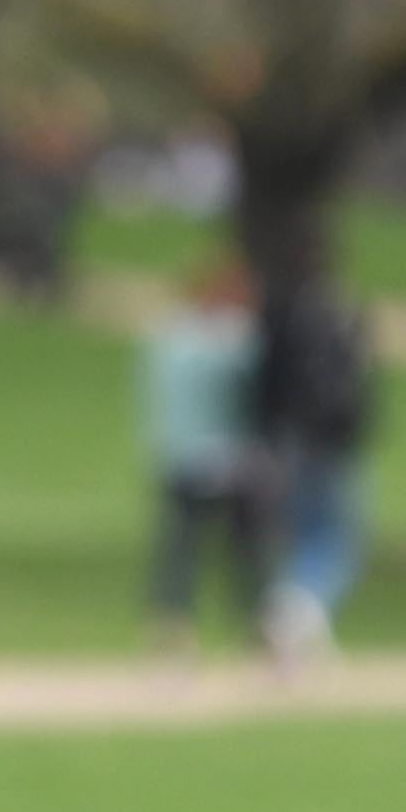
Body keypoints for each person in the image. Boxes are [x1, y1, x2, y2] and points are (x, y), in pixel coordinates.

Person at [252, 258, 377, 672]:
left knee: (300, 533)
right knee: (337, 542)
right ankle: (296, 613)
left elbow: (263, 382)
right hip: (335, 445)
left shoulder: (281, 317)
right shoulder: (346, 316)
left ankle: (291, 624)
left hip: (290, 439)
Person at [136, 257, 263, 650]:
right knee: (246, 551)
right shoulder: (233, 342)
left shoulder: (169, 337)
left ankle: (171, 631)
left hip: (175, 457)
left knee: (179, 549)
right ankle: (256, 631)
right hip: (226, 461)